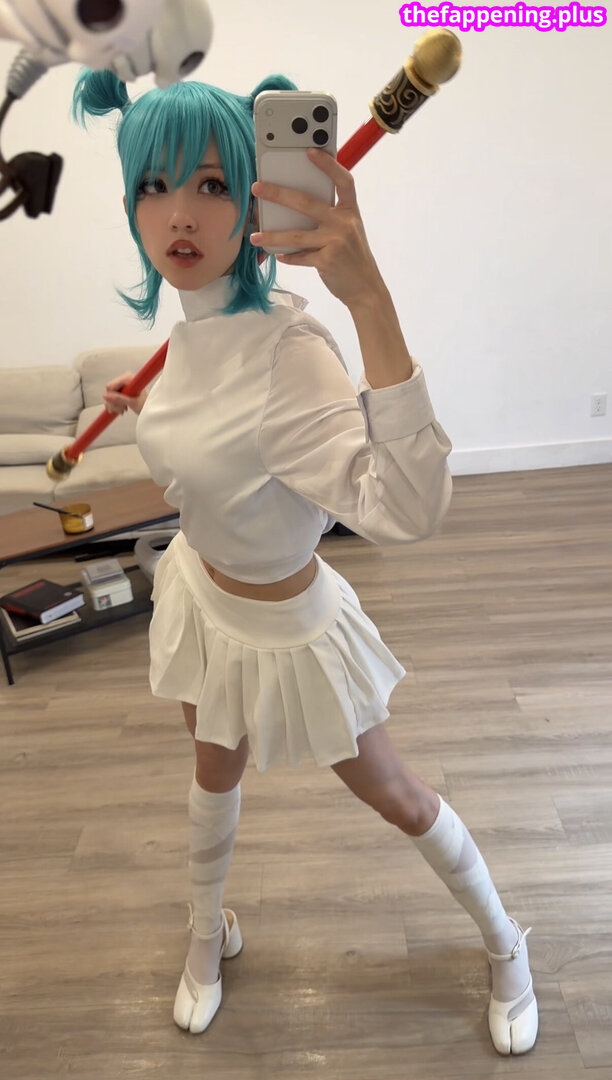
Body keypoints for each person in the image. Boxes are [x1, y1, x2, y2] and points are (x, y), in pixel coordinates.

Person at [73, 70, 538, 1055]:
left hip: (291, 626)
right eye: (154, 186)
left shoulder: (290, 348)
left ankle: (507, 943)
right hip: (202, 600)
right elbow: (211, 461)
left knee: (394, 794)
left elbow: (407, 508)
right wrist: (150, 415)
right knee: (211, 776)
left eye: (211, 183)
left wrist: (368, 298)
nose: (179, 213)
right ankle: (209, 932)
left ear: (255, 198)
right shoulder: (187, 330)